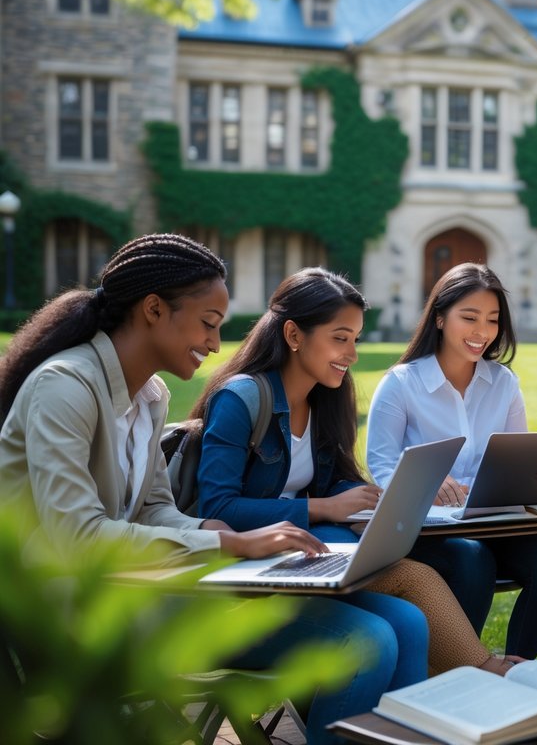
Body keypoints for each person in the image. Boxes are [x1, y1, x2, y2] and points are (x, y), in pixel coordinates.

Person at [0, 234, 425, 745]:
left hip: (149, 590)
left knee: (404, 621)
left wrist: (207, 526)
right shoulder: (65, 386)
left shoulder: (150, 394)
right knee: (367, 640)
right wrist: (226, 542)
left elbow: (155, 508)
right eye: (208, 323)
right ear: (154, 310)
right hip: (76, 615)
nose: (217, 344)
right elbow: (76, 536)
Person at [194, 267, 514, 677]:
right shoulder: (240, 400)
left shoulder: (326, 397)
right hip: (251, 567)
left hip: (307, 550)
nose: (352, 354)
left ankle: (459, 683)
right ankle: (485, 671)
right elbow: (217, 509)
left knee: (415, 611)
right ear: (293, 335)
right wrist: (324, 508)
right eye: (340, 339)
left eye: (355, 340)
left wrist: (368, 501)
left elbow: (335, 478)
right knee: (413, 583)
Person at [366, 262, 537, 659]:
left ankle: (515, 667)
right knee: (472, 562)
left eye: (493, 320)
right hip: (427, 532)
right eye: (470, 317)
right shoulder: (401, 384)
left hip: (492, 524)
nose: (483, 331)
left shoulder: (503, 383)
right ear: (440, 317)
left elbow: (517, 461)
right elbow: (382, 466)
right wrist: (425, 483)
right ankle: (462, 667)